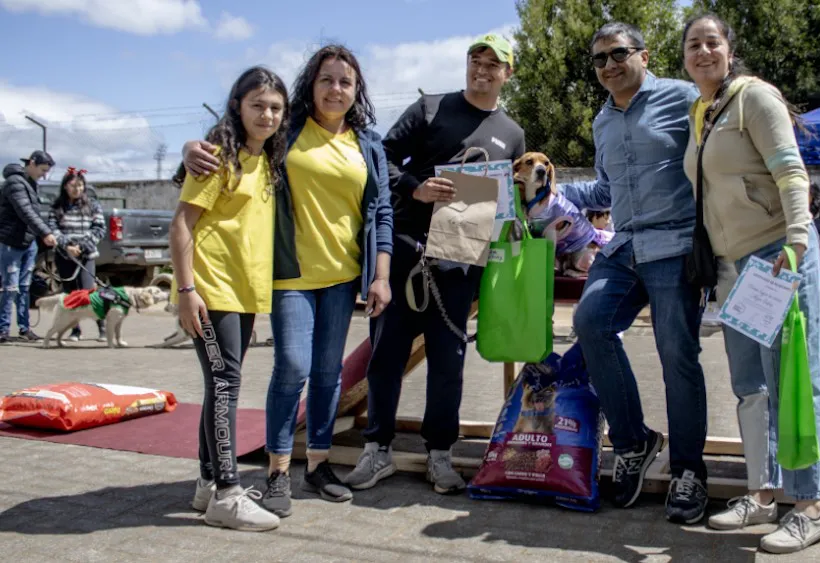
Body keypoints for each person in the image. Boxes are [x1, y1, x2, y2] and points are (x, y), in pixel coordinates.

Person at [182, 45, 393, 516]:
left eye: (345, 81)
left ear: (357, 90)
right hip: (289, 276)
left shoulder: (369, 144)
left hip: (343, 280)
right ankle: (277, 472)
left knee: (327, 375)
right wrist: (192, 147)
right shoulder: (289, 127)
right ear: (310, 84)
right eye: (326, 79)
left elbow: (381, 212)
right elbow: (238, 136)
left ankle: (318, 466)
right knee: (293, 367)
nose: (335, 89)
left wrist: (380, 274)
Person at [343, 34, 525, 495]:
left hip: (462, 258)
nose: (482, 69)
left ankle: (440, 455)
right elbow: (379, 158)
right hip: (406, 249)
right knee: (387, 356)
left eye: (493, 63)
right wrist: (415, 187)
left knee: (449, 361)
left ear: (509, 72)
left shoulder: (513, 132)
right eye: (475, 60)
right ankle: (377, 449)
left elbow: (514, 196)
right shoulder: (429, 108)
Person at [682, 13, 820, 553]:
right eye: (693, 44)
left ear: (729, 49)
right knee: (751, 386)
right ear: (684, 57)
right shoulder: (702, 112)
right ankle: (761, 494)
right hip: (732, 265)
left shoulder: (753, 98)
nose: (703, 51)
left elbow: (791, 172)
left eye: (711, 42)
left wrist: (796, 241)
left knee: (794, 381)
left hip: (777, 256)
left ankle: (809, 506)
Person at [554, 22, 709, 523]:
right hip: (624, 245)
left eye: (618, 54)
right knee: (590, 321)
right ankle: (633, 443)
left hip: (676, 242)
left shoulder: (685, 98)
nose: (608, 66)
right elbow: (606, 190)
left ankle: (688, 471)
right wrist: (550, 190)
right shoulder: (603, 120)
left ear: (644, 55)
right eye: (599, 60)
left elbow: (717, 161)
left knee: (676, 352)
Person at [171, 66, 288, 531]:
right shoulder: (216, 156)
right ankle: (226, 493)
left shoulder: (265, 159)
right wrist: (185, 291)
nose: (267, 114)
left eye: (276, 107)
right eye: (257, 105)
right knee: (225, 386)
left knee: (218, 384)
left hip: (240, 295)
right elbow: (182, 223)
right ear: (237, 105)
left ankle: (206, 483)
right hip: (210, 289)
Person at [0, 150, 57, 344]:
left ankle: (25, 329)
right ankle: (3, 330)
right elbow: (25, 212)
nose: (44, 174)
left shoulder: (31, 184)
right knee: (10, 287)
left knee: (25, 287)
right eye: (42, 169)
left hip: (28, 242)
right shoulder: (15, 183)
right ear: (31, 163)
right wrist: (45, 233)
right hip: (11, 243)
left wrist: (45, 234)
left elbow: (36, 214)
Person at [47, 167, 107, 341]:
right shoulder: (57, 206)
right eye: (73, 185)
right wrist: (67, 246)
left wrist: (83, 246)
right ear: (65, 186)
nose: (77, 189)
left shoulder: (93, 205)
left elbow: (99, 228)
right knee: (71, 294)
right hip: (65, 256)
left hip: (86, 255)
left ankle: (102, 327)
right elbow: (53, 229)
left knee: (89, 292)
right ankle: (75, 330)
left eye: (80, 186)